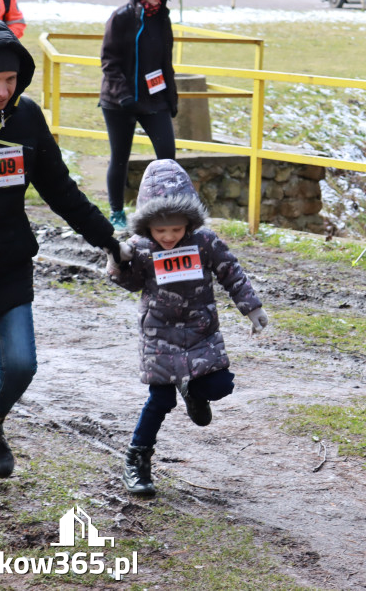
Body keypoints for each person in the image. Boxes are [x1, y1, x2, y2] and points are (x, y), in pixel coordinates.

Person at [0, 15, 123, 512]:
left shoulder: (26, 116)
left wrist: (109, 240)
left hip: (7, 265)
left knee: (21, 364)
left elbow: (61, 190)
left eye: (10, 80)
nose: (2, 90)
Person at [107, 159, 268, 496]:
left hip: (200, 332)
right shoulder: (141, 248)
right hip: (159, 336)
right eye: (160, 230)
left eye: (176, 230)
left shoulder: (204, 242)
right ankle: (137, 460)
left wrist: (252, 309)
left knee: (221, 385)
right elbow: (131, 283)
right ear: (148, 225)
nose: (168, 237)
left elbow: (231, 272)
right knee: (160, 400)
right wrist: (118, 262)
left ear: (189, 223)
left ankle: (194, 392)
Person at [100, 0, 178, 231]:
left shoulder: (162, 18)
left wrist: (171, 97)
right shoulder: (121, 17)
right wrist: (123, 96)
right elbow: (109, 61)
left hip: (154, 100)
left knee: (167, 156)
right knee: (120, 157)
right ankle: (117, 212)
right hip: (119, 101)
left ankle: (167, 212)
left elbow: (165, 62)